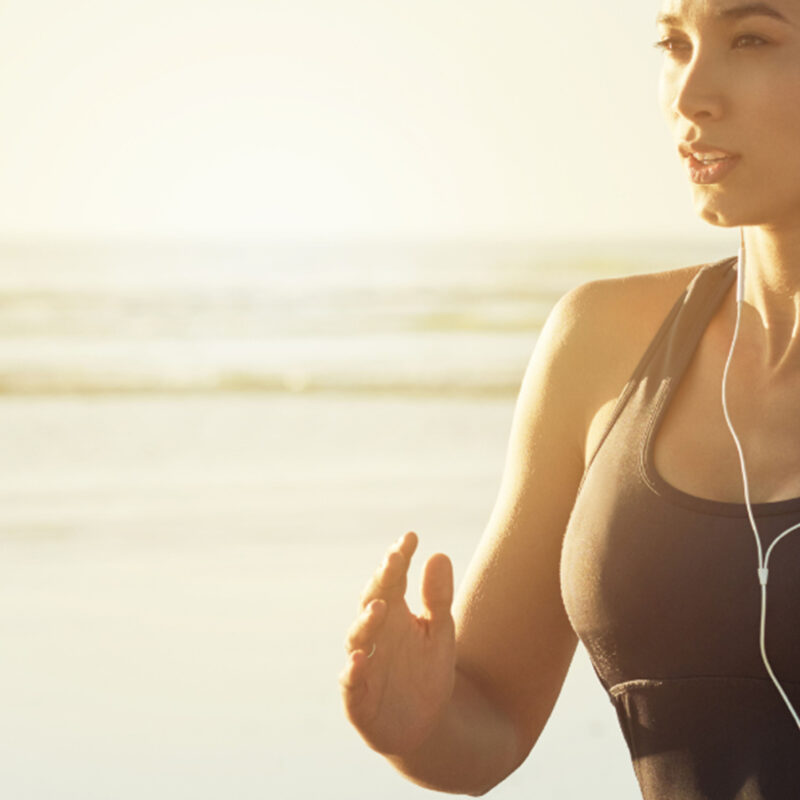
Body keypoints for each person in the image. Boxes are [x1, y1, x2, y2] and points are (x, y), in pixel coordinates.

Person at [339, 1, 800, 797]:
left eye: (751, 39)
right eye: (674, 44)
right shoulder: (602, 347)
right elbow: (489, 726)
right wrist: (415, 728)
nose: (691, 95)